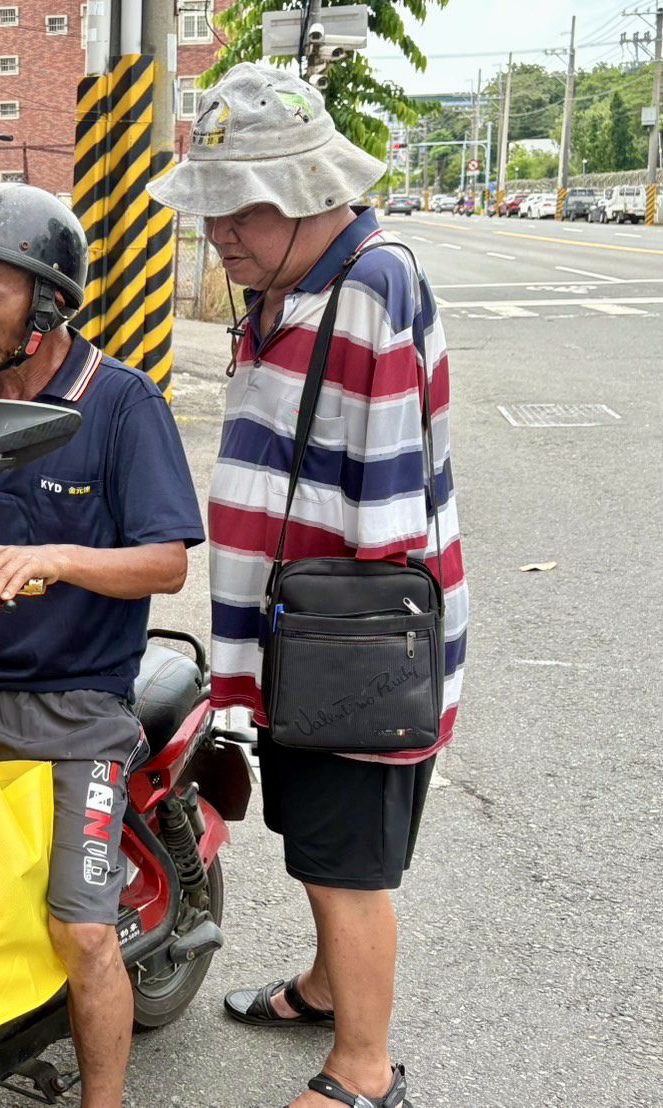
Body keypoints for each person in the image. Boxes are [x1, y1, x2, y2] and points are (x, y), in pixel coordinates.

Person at [148, 63, 468, 1108]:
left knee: (346, 859)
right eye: (214, 211)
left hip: (348, 644)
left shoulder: (370, 293)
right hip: (303, 635)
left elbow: (383, 524)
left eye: (240, 210)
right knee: (319, 833)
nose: (219, 236)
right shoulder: (297, 283)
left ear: (305, 190)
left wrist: (339, 684)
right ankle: (330, 987)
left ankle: (363, 1068)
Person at [0, 184, 206, 1108]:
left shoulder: (122, 406)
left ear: (48, 301)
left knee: (82, 932)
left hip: (77, 711)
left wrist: (61, 557)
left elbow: (167, 564)